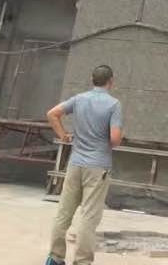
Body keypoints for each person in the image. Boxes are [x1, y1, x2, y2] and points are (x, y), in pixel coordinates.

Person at [44, 64, 123, 265]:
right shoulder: (113, 105)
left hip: (75, 163)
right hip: (98, 167)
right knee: (89, 216)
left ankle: (55, 257)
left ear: (92, 80)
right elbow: (114, 139)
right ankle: (82, 261)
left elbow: (52, 113)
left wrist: (63, 135)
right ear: (111, 81)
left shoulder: (79, 99)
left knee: (64, 212)